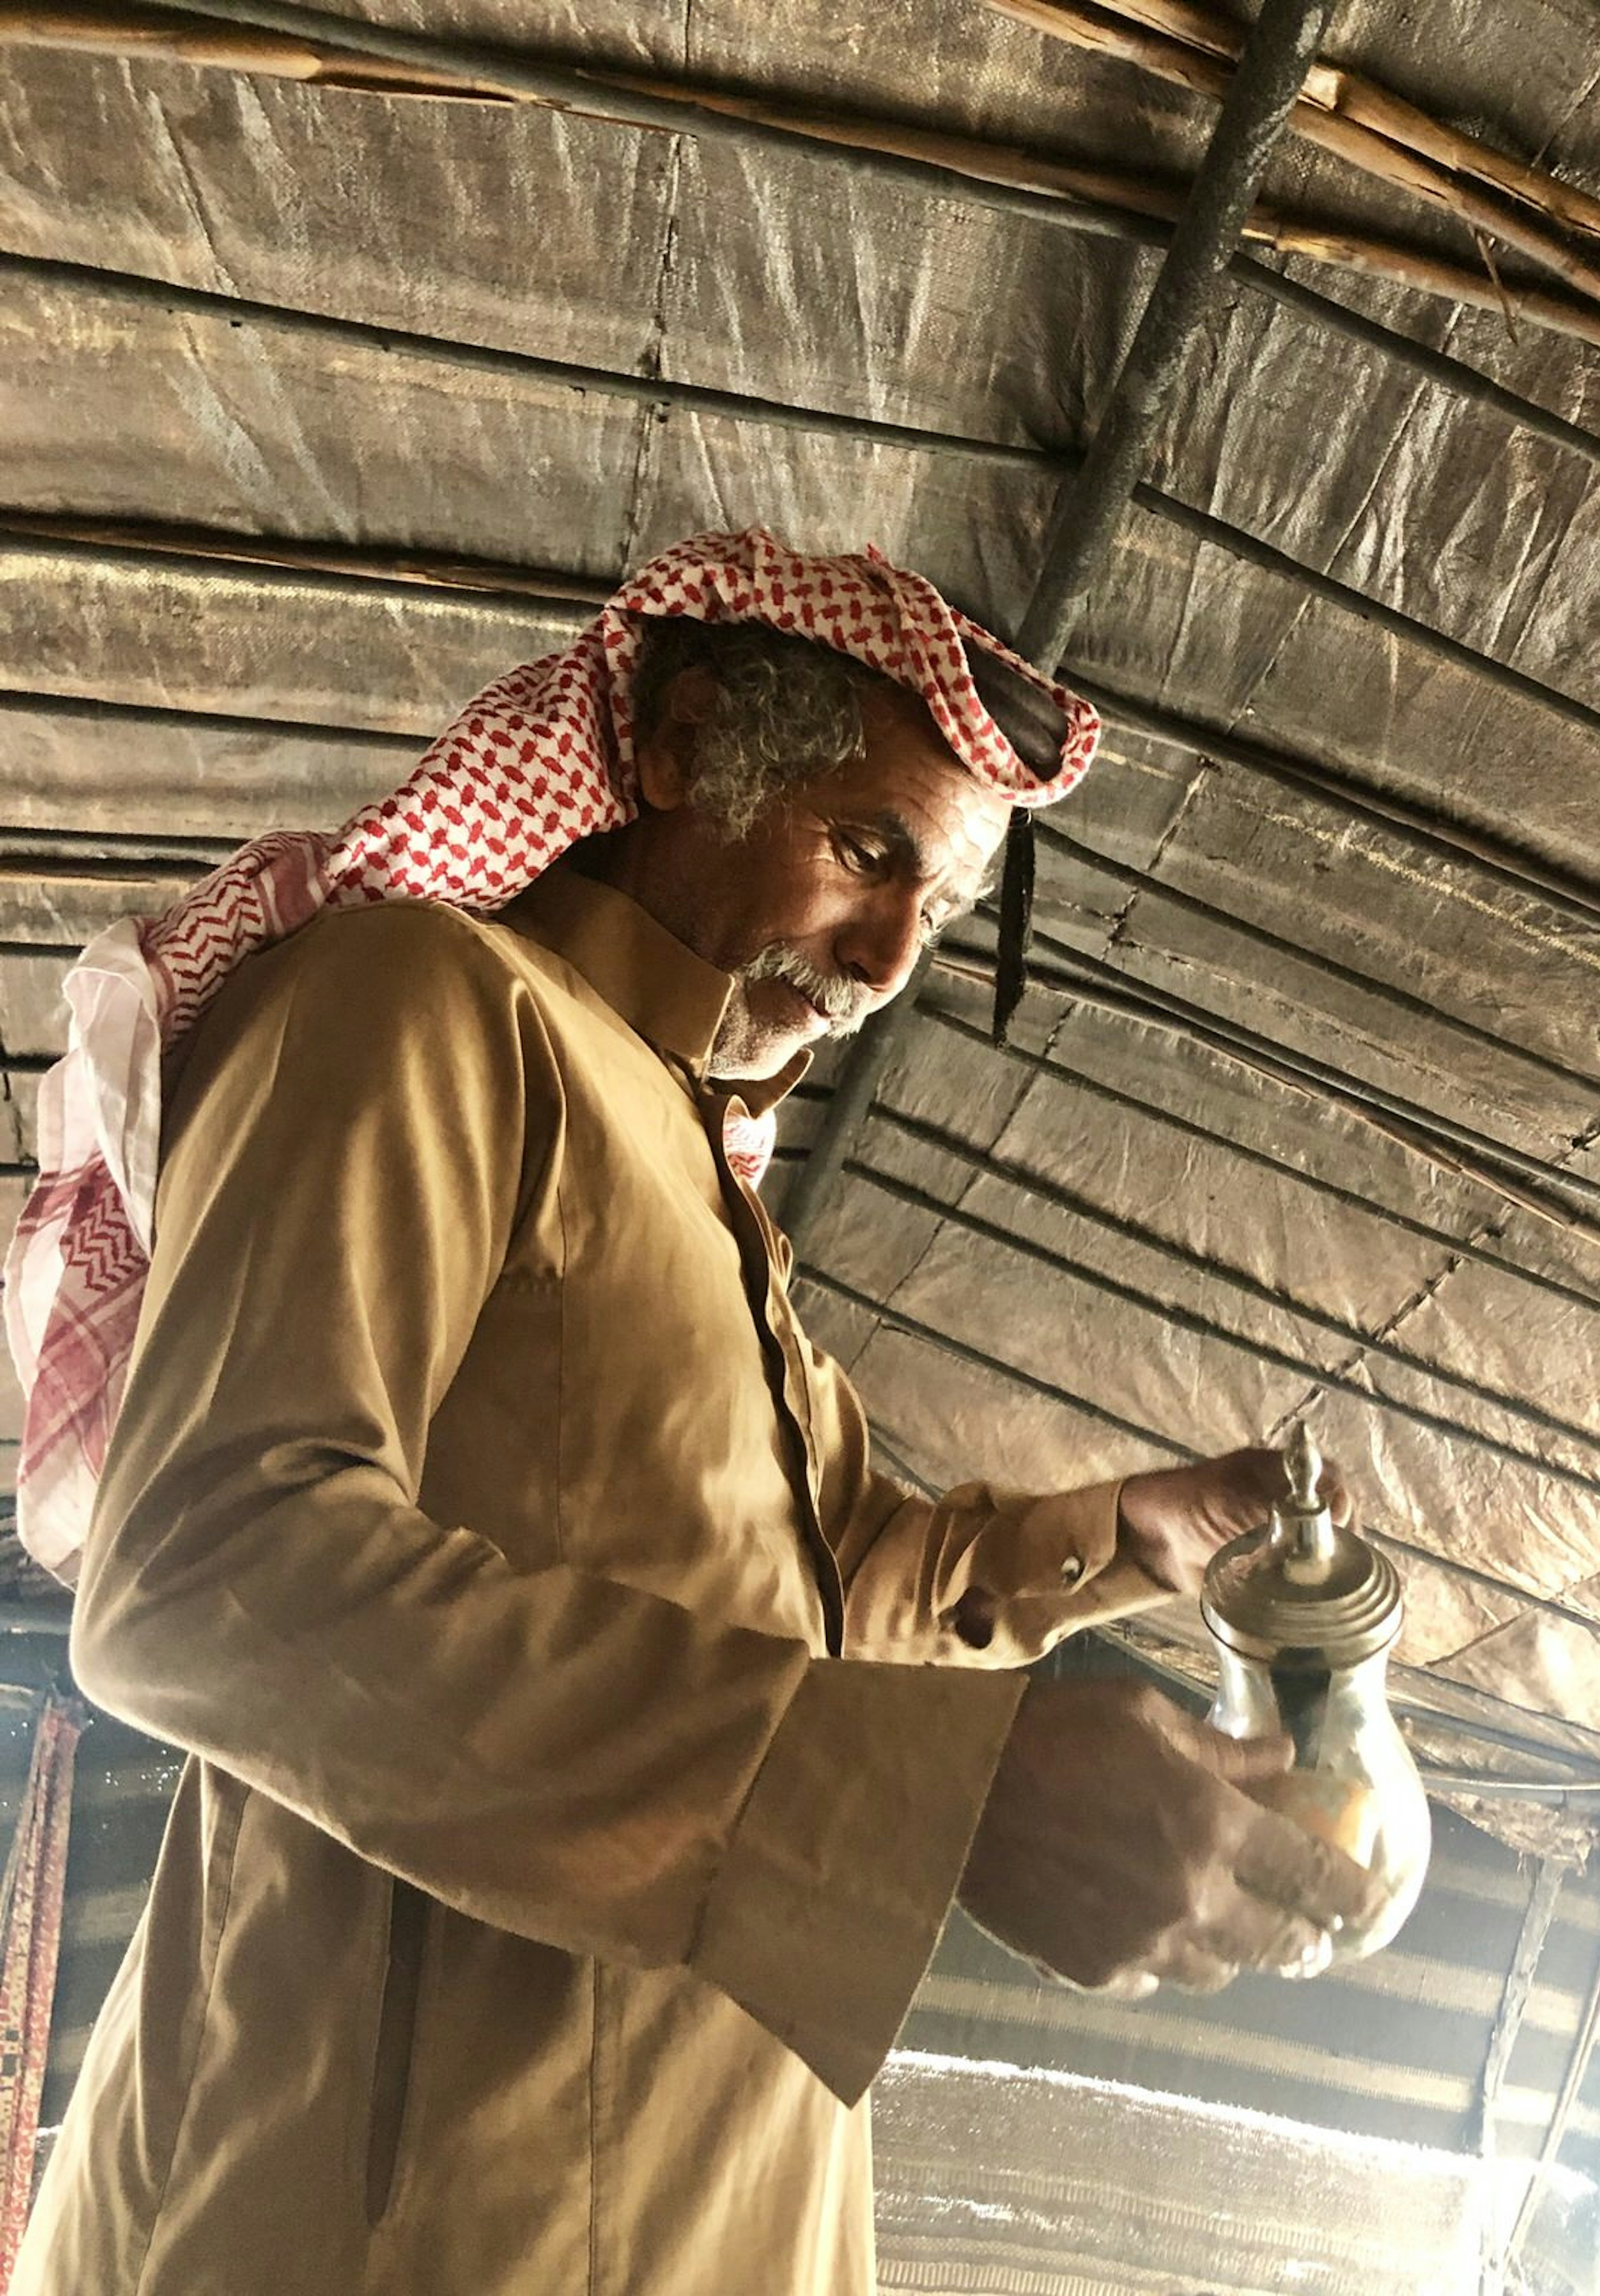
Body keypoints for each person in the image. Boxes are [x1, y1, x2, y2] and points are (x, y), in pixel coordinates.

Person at [7, 531, 1375, 2296]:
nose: (887, 957)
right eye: (867, 850)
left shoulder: (710, 1201)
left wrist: (1127, 1538)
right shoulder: (424, 1008)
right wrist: (915, 1803)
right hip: (400, 2223)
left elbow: (834, 1580)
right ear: (675, 750)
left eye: (933, 910)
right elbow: (206, 1574)